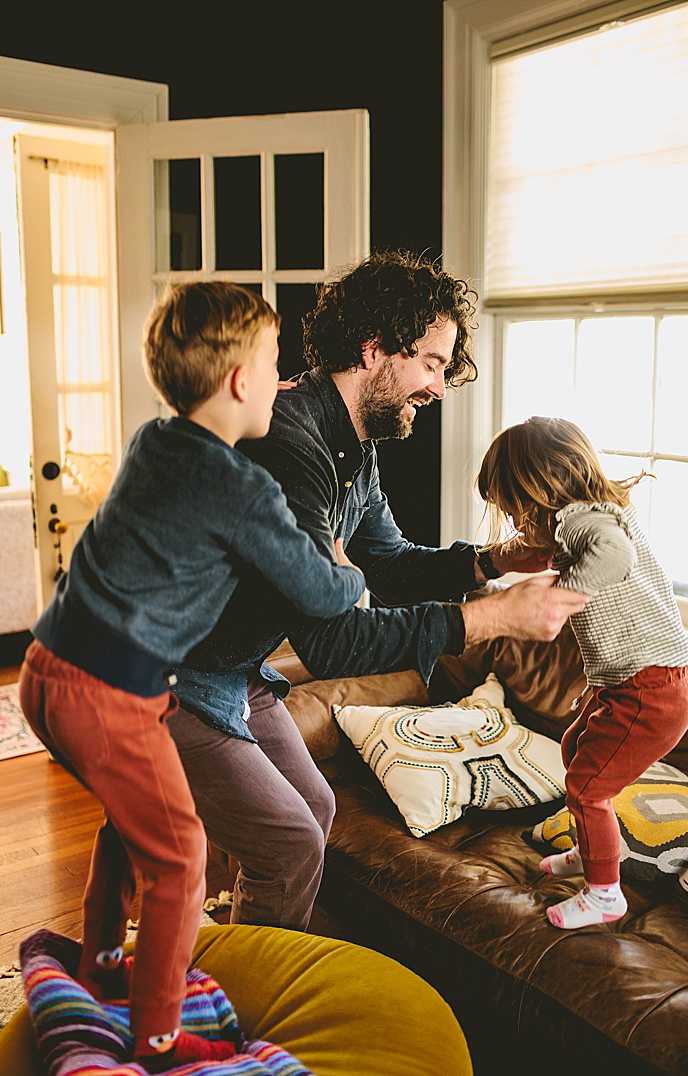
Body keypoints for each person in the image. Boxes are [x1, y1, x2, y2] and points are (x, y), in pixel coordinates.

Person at [167, 251, 588, 931]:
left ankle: (243, 946)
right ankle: (245, 1018)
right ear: (374, 349)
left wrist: (494, 559)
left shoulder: (353, 451)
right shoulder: (287, 444)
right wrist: (488, 618)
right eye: (430, 362)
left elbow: (387, 560)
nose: (440, 388)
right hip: (171, 680)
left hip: (234, 671)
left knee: (316, 813)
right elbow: (329, 641)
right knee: (289, 842)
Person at [18, 283, 367, 1071]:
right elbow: (316, 589)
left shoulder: (154, 440)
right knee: (181, 857)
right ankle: (161, 1040)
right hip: (108, 693)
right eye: (275, 364)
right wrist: (347, 571)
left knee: (128, 822)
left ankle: (105, 962)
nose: (284, 381)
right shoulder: (242, 487)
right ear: (241, 382)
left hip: (47, 673)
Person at [475, 416, 688, 928]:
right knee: (574, 748)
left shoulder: (580, 522)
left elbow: (613, 555)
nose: (513, 521)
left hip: (652, 685)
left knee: (587, 786)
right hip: (636, 680)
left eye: (513, 508)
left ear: (538, 488)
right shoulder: (603, 512)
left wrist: (561, 594)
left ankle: (604, 893)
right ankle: (594, 850)